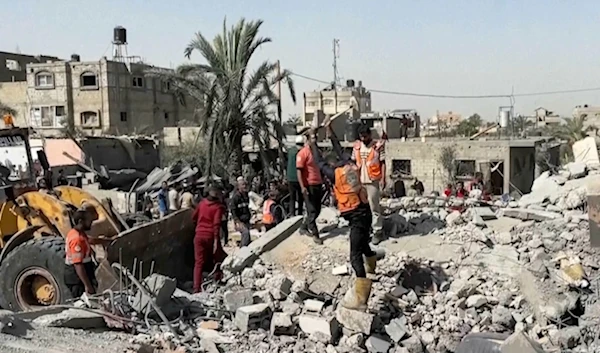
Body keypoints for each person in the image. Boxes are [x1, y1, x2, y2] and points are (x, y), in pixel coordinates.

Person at [309, 118, 377, 311]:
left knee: (355, 256)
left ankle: (361, 299)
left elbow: (319, 161)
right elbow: (338, 148)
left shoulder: (335, 174)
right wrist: (329, 130)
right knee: (363, 244)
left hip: (356, 216)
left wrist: (312, 140)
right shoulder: (350, 164)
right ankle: (372, 267)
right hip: (366, 213)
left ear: (333, 166)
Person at [353, 124, 386, 245]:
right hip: (360, 181)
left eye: (365, 136)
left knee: (374, 207)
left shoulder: (377, 147)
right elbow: (354, 163)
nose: (363, 139)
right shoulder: (356, 147)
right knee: (362, 207)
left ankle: (378, 231)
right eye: (361, 136)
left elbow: (383, 163)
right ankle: (365, 229)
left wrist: (383, 178)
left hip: (372, 180)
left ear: (369, 135)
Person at [191, 185, 227, 293]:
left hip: (199, 236)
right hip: (210, 236)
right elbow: (216, 224)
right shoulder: (218, 207)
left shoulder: (201, 204)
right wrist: (216, 240)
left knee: (199, 262)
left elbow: (193, 217)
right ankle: (218, 280)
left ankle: (196, 287)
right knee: (217, 258)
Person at [296, 131, 324, 245]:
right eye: (312, 138)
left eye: (315, 138)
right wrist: (302, 187)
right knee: (312, 210)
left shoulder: (317, 153)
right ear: (307, 140)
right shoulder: (303, 153)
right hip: (309, 185)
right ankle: (315, 234)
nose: (315, 140)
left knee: (317, 210)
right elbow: (299, 171)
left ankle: (304, 226)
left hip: (318, 184)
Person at [64, 208, 98, 297]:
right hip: (77, 278)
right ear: (81, 221)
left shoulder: (77, 232)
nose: (91, 223)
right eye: (89, 221)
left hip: (82, 273)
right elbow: (78, 265)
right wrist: (88, 286)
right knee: (82, 301)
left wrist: (106, 241)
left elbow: (88, 240)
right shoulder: (76, 239)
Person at [230, 179, 252, 247]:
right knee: (246, 233)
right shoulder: (235, 198)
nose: (244, 186)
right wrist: (237, 222)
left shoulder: (246, 196)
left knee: (247, 239)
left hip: (246, 221)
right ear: (238, 186)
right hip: (239, 221)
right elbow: (233, 211)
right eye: (243, 185)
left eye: (245, 185)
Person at [287, 136, 305, 216]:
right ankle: (300, 213)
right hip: (299, 178)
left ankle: (292, 213)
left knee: (292, 197)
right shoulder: (301, 151)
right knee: (300, 197)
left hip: (290, 178)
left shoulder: (290, 150)